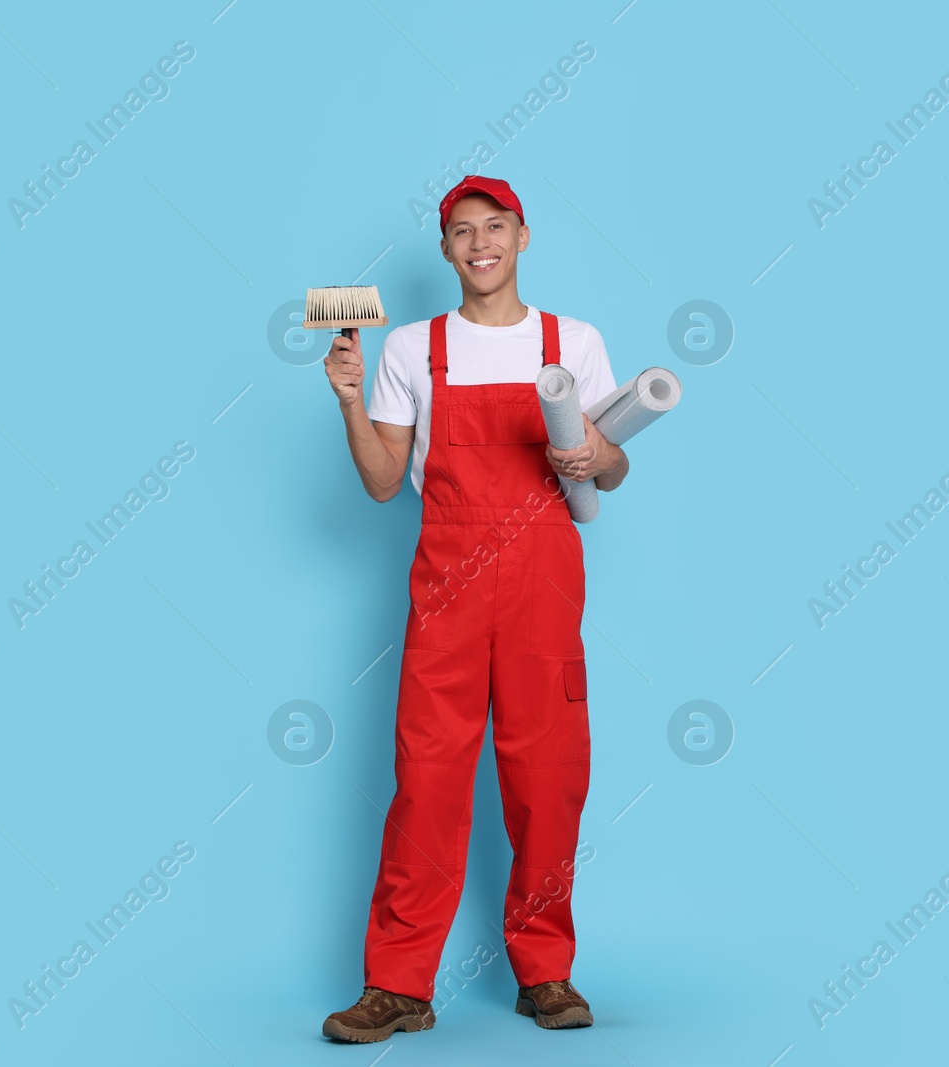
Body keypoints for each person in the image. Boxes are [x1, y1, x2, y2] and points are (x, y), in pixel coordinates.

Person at [319, 175, 629, 1043]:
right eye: (462, 230)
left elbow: (612, 471)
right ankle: (399, 985)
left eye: (495, 226)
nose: (480, 242)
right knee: (427, 779)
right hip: (447, 590)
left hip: (542, 585)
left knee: (549, 776)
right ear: (446, 249)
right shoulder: (413, 348)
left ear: (524, 236)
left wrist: (603, 450)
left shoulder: (575, 342)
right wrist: (349, 401)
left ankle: (547, 972)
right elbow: (385, 483)